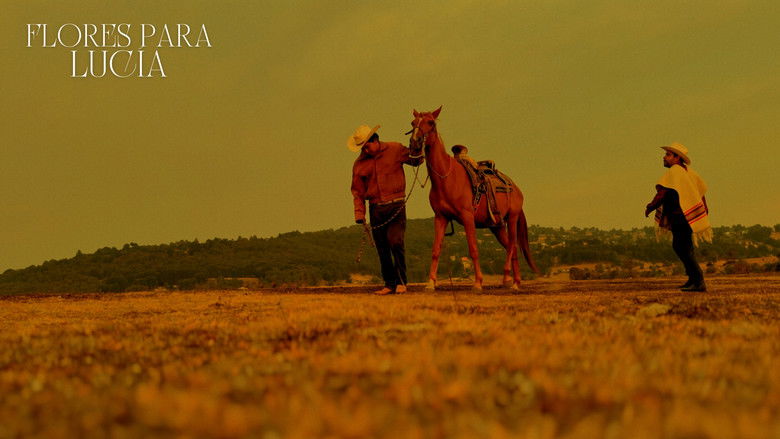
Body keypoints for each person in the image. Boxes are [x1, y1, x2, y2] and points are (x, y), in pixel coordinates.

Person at [349, 124, 423, 295]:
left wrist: (417, 146)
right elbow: (357, 192)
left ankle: (402, 282)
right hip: (375, 208)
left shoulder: (395, 149)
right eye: (362, 147)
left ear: (375, 140)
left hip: (396, 205)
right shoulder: (359, 164)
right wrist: (359, 213)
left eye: (367, 146)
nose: (365, 150)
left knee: (396, 242)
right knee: (382, 248)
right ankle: (389, 284)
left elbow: (416, 160)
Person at [644, 142, 712, 291]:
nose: (664, 157)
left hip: (680, 216)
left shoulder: (674, 172)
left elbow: (663, 193)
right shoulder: (688, 172)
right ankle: (692, 280)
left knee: (681, 247)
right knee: (686, 247)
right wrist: (703, 211)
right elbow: (700, 192)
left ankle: (698, 281)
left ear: (677, 157)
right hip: (687, 216)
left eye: (668, 155)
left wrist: (650, 207)